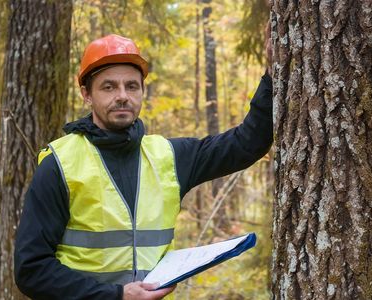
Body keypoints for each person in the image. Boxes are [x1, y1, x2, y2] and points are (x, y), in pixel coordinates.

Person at [14, 33, 272, 300]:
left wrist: (272, 75)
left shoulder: (169, 156)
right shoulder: (60, 163)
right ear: (86, 95)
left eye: (132, 86)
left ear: (142, 92)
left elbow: (246, 144)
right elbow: (31, 269)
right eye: (109, 87)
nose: (123, 96)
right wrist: (115, 295)